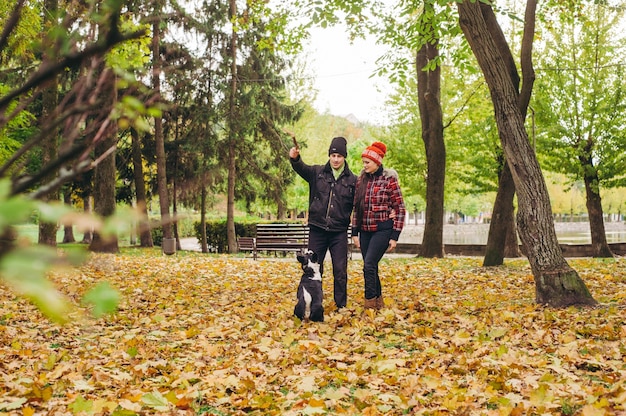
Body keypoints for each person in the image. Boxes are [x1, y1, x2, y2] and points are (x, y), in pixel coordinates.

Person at [289, 137, 357, 310]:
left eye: (339, 156)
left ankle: (340, 305)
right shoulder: (317, 172)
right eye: (333, 155)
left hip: (339, 232)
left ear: (344, 157)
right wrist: (295, 158)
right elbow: (301, 168)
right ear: (329, 155)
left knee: (340, 270)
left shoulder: (353, 180)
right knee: (312, 268)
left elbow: (361, 203)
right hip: (317, 229)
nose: (335, 159)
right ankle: (311, 302)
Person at [351, 141, 406, 310]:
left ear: (377, 162)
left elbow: (400, 208)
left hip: (383, 230)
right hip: (365, 231)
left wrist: (394, 236)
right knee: (371, 266)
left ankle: (369, 305)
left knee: (368, 266)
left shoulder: (389, 180)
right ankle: (378, 303)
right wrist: (354, 233)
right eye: (364, 162)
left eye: (367, 162)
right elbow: (356, 207)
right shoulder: (361, 180)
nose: (364, 165)